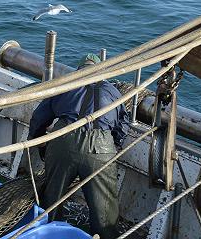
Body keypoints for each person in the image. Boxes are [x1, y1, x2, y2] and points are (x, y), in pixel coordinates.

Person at [27, 53, 129, 239]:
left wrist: (39, 142)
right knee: (104, 208)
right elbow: (122, 125)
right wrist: (113, 146)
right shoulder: (113, 92)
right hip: (101, 146)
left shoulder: (67, 85)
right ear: (101, 71)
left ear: (79, 69)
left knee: (53, 197)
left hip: (64, 141)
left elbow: (39, 118)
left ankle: (48, 232)